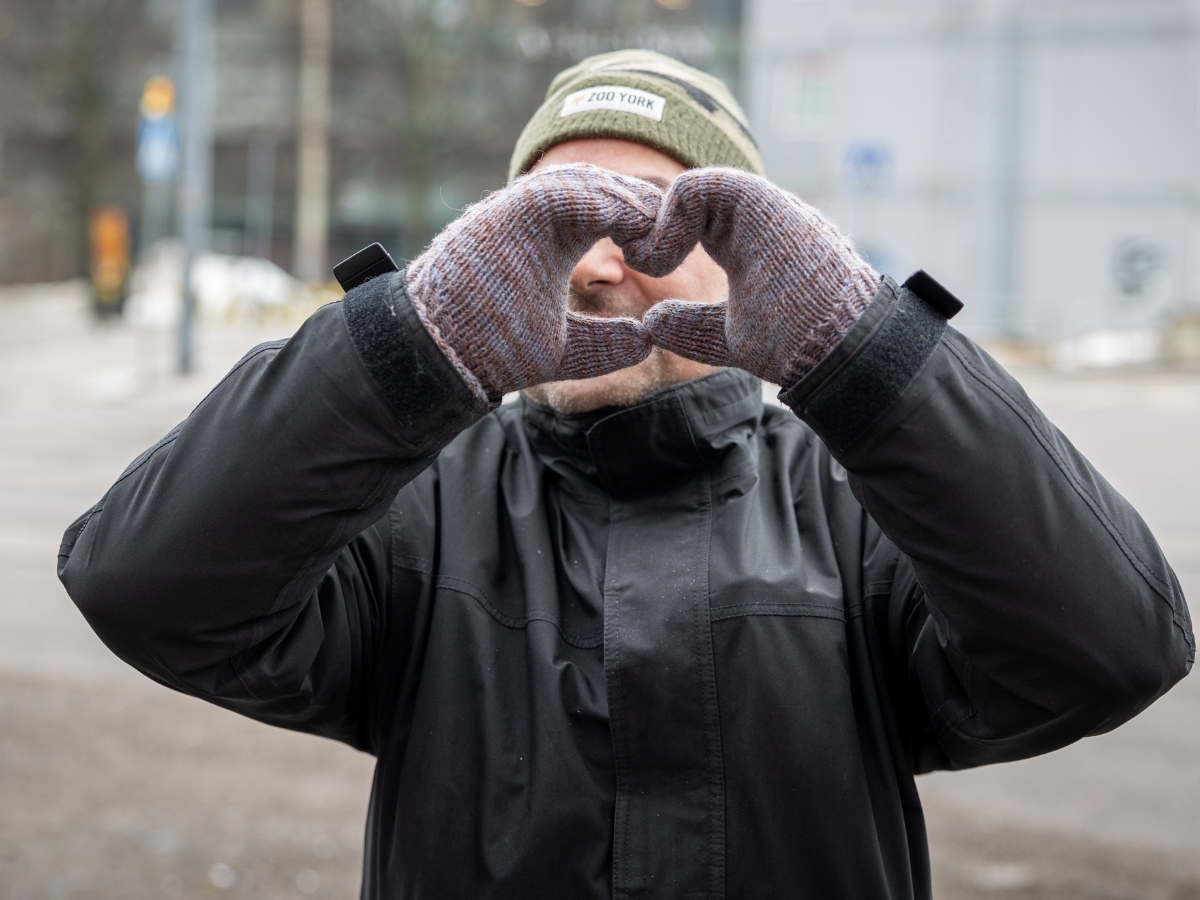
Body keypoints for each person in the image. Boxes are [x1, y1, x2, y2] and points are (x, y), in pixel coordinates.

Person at [59, 50, 1192, 899]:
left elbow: (1109, 648)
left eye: (645, 223)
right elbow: (146, 588)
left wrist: (868, 351)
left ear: (747, 265)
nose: (594, 266)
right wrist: (407, 346)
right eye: (550, 222)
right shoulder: (422, 511)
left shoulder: (856, 514)